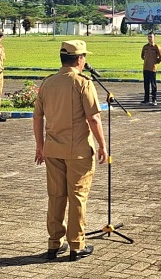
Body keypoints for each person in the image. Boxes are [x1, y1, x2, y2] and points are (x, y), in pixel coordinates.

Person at [33, 40, 108, 261]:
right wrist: (103, 145)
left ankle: (54, 243)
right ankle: (76, 244)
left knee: (56, 196)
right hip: (78, 151)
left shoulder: (48, 83)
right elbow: (93, 118)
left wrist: (40, 145)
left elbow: (38, 117)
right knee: (77, 196)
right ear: (79, 59)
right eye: (84, 57)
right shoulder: (82, 83)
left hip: (52, 149)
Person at [140, 32, 161, 106]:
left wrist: (156, 62)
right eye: (149, 37)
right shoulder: (145, 47)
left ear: (154, 38)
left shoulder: (156, 47)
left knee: (153, 85)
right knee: (146, 84)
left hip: (153, 68)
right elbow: (142, 56)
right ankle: (146, 99)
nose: (150, 38)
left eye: (151, 37)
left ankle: (154, 99)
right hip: (146, 67)